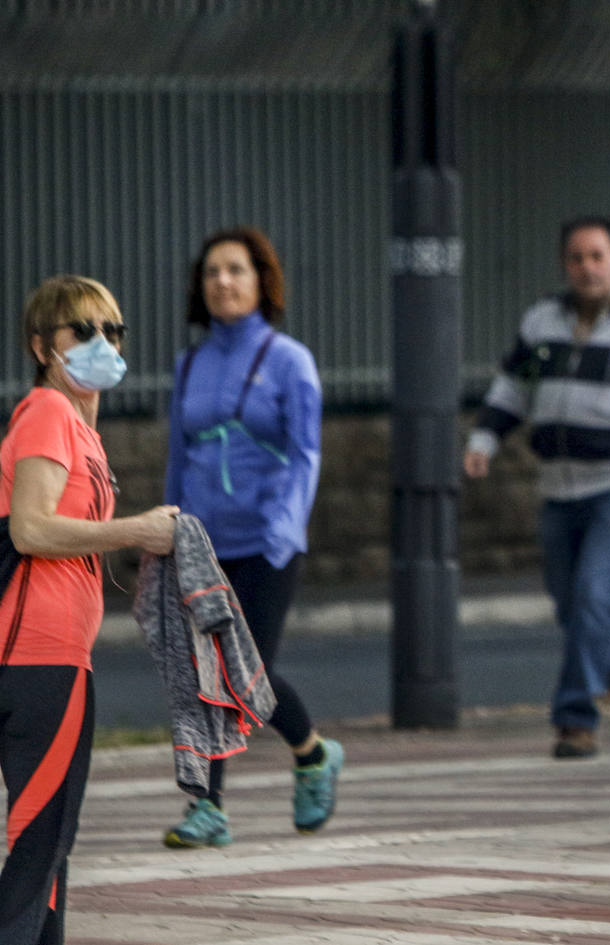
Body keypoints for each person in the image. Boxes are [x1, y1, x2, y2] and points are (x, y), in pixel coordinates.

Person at [0, 275, 179, 944]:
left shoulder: (78, 428)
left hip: (51, 655)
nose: (101, 342)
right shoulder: (47, 413)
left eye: (113, 330)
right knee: (39, 844)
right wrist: (136, 529)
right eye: (83, 330)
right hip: (38, 656)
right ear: (42, 345)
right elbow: (31, 529)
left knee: (48, 847)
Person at [465, 216, 610, 759]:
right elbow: (512, 388)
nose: (588, 267)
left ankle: (575, 717)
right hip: (558, 488)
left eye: (598, 256)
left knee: (592, 596)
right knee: (573, 607)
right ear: (566, 265)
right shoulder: (542, 321)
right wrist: (484, 441)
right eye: (577, 258)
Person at [161, 226, 342, 848]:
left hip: (267, 542)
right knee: (206, 671)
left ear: (262, 281)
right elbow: (179, 458)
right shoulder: (191, 364)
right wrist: (171, 526)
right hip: (203, 544)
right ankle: (207, 808)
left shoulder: (290, 361)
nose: (222, 282)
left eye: (236, 270)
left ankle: (313, 753)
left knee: (248, 672)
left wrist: (283, 526)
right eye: (212, 272)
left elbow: (305, 454)